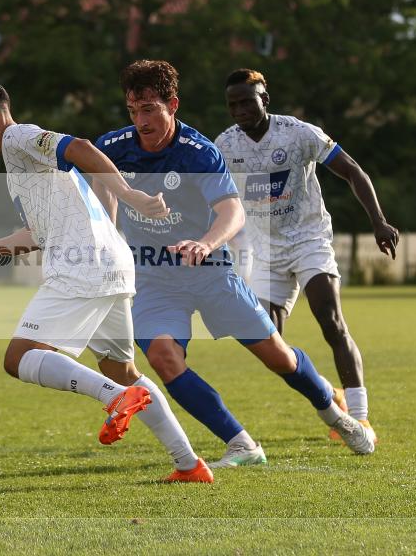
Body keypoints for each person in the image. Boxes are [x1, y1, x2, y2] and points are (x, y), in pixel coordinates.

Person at [94, 60, 374, 466]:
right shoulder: (114, 145)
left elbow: (232, 213)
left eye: (150, 109)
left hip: (209, 271)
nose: (141, 120)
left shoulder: (199, 152)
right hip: (153, 276)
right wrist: (108, 230)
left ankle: (334, 411)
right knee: (162, 358)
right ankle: (241, 443)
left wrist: (205, 244)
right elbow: (95, 177)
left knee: (277, 356)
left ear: (172, 105)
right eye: (133, 110)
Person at [0, 80, 213, 483]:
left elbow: (82, 148)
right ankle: (189, 464)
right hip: (110, 263)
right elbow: (38, 233)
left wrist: (129, 195)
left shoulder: (17, 136)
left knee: (17, 358)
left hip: (83, 265)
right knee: (123, 370)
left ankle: (115, 398)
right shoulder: (21, 166)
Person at [215, 68, 399, 443]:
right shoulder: (224, 146)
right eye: (233, 105)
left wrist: (378, 222)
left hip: (308, 239)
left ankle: (360, 418)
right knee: (270, 345)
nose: (239, 110)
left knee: (330, 321)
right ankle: (329, 392)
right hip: (264, 251)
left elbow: (353, 172)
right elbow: (213, 197)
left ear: (264, 99)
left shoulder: (299, 133)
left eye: (247, 102)